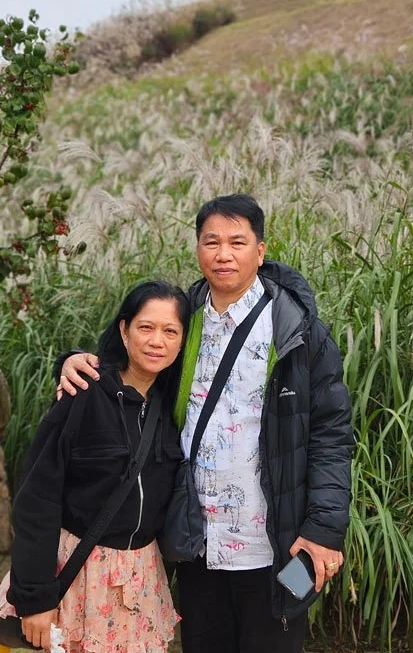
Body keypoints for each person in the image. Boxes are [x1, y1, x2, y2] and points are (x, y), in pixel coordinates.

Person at [58, 194, 354, 653]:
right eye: (211, 242)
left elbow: (331, 434)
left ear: (260, 250)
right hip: (197, 543)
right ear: (197, 248)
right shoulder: (182, 317)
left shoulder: (297, 329)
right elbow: (123, 368)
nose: (223, 254)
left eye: (238, 242)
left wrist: (324, 531)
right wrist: (72, 360)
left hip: (277, 544)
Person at [0, 280, 189, 653]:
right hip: (79, 574)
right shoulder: (83, 393)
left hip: (141, 580)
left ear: (183, 341)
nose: (157, 341)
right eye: (146, 327)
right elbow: (38, 499)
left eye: (170, 331)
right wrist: (35, 596)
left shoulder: (175, 406)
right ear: (124, 330)